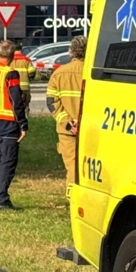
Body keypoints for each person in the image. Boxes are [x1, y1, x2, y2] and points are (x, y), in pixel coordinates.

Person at [0, 41, 28, 211]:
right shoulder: (10, 74)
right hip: (8, 122)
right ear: (12, 55)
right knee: (7, 162)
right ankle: (2, 200)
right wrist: (23, 124)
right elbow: (16, 100)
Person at [47, 36, 86, 186]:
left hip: (68, 131)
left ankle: (73, 200)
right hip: (91, 129)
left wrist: (69, 124)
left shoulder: (59, 73)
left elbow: (52, 103)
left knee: (73, 167)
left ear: (71, 51)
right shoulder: (94, 73)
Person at [9, 45, 36, 114]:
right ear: (21, 50)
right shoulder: (26, 59)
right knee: (25, 104)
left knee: (13, 104)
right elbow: (32, 71)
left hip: (12, 86)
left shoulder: (9, 59)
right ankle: (25, 118)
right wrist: (30, 77)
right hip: (24, 87)